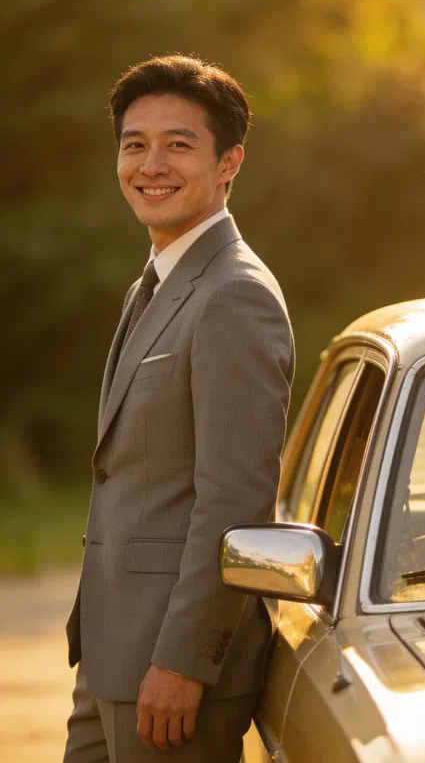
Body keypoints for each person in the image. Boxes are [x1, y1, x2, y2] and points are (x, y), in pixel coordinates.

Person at [63, 54, 295, 762]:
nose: (151, 164)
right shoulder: (161, 281)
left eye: (179, 144)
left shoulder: (234, 295)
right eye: (135, 144)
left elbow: (235, 501)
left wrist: (187, 661)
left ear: (230, 163)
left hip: (174, 669)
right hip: (113, 652)